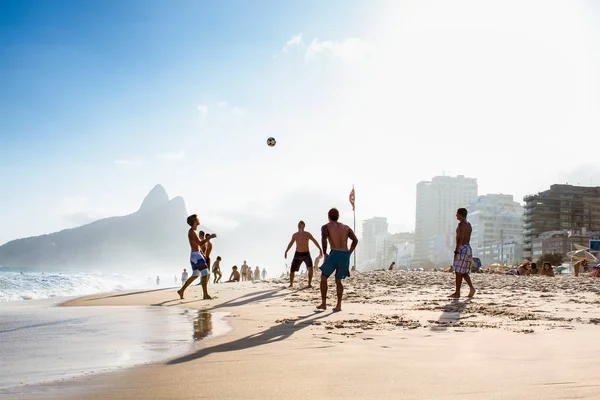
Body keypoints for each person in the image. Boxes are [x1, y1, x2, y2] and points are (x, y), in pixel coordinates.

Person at [317, 208, 358, 312]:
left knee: (323, 277)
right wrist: (349, 253)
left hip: (334, 253)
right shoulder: (346, 227)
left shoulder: (326, 227)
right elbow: (355, 240)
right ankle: (338, 305)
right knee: (338, 280)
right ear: (338, 216)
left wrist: (325, 253)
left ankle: (324, 303)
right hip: (345, 255)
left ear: (328, 216)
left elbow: (324, 239)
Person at [177, 214, 217, 300]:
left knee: (195, 275)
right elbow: (200, 243)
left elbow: (197, 245)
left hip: (194, 255)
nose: (198, 219)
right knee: (205, 273)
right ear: (195, 222)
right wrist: (210, 237)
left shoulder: (192, 231)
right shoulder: (192, 232)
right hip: (196, 255)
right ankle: (205, 295)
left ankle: (181, 290)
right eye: (197, 219)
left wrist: (202, 253)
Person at [284, 220, 323, 288]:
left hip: (306, 254)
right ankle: (291, 284)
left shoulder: (307, 234)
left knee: (310, 268)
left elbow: (314, 241)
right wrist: (286, 251)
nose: (300, 225)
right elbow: (291, 243)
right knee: (292, 270)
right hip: (297, 254)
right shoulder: (295, 235)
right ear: (298, 226)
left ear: (304, 226)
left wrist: (320, 248)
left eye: (301, 224)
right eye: (299, 224)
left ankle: (309, 283)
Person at [449, 208, 476, 298]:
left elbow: (460, 238)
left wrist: (456, 250)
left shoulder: (461, 224)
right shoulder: (469, 225)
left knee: (458, 271)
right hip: (468, 248)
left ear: (461, 214)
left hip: (462, 248)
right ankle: (471, 288)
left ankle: (457, 292)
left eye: (457, 213)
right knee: (463, 271)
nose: (456, 215)